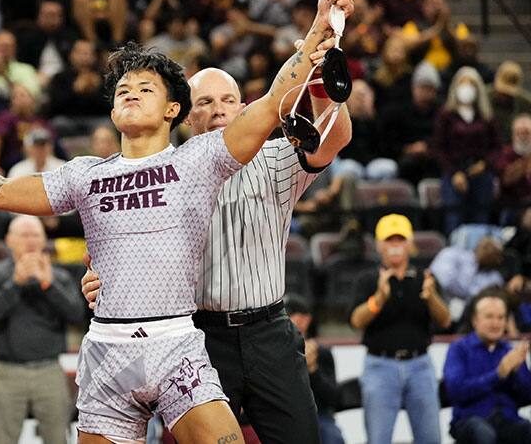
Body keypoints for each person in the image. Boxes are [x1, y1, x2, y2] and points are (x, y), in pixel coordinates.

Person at [0, 0, 353, 443]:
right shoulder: (85, 173)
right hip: (108, 349)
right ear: (113, 111)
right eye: (123, 89)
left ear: (174, 110)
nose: (131, 91)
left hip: (180, 342)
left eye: (146, 87)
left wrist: (321, 27)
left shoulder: (199, 160)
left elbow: (277, 99)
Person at [82, 60, 352, 442]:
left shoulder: (274, 160)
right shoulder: (163, 174)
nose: (218, 108)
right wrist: (100, 281)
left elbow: (333, 139)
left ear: (244, 109)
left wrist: (323, 84)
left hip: (269, 332)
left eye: (228, 100)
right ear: (186, 115)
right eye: (205, 101)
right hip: (198, 339)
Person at [0, 215, 84, 444]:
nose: (31, 240)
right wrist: (15, 283)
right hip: (7, 373)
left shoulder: (59, 276)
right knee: (3, 440)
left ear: (45, 239)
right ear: (9, 239)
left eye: (36, 234)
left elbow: (76, 314)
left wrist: (48, 285)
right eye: (24, 235)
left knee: (57, 439)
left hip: (50, 371)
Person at [350, 214, 451, 444]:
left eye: (400, 239)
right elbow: (355, 321)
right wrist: (379, 298)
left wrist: (431, 296)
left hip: (420, 366)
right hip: (379, 366)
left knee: (431, 439)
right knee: (378, 440)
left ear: (410, 244)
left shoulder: (426, 278)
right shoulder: (367, 279)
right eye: (389, 240)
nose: (395, 245)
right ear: (378, 245)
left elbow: (445, 321)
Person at [442, 290, 531, 444]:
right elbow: (456, 392)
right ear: (475, 320)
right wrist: (498, 374)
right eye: (489, 317)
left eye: (500, 317)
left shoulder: (510, 352)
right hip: (470, 419)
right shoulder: (459, 349)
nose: (495, 323)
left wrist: (517, 373)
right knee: (483, 433)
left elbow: (527, 396)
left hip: (507, 419)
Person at [433, 66, 501, 234]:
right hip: (454, 174)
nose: (467, 87)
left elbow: (497, 147)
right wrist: (454, 172)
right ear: (455, 87)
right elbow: (439, 147)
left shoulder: (486, 115)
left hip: (481, 172)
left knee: (481, 219)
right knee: (455, 219)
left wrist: (485, 164)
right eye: (463, 83)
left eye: (471, 83)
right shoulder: (445, 114)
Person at [285, 294, 344, 444]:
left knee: (331, 436)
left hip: (319, 416)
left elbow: (333, 398)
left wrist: (313, 370)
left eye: (290, 315)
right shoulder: (272, 352)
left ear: (306, 320)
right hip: (284, 417)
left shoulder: (321, 353)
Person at [494, 113, 531, 224]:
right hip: (512, 207)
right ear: (513, 134)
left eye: (527, 132)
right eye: (519, 132)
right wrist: (526, 161)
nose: (523, 136)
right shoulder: (505, 154)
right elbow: (506, 179)